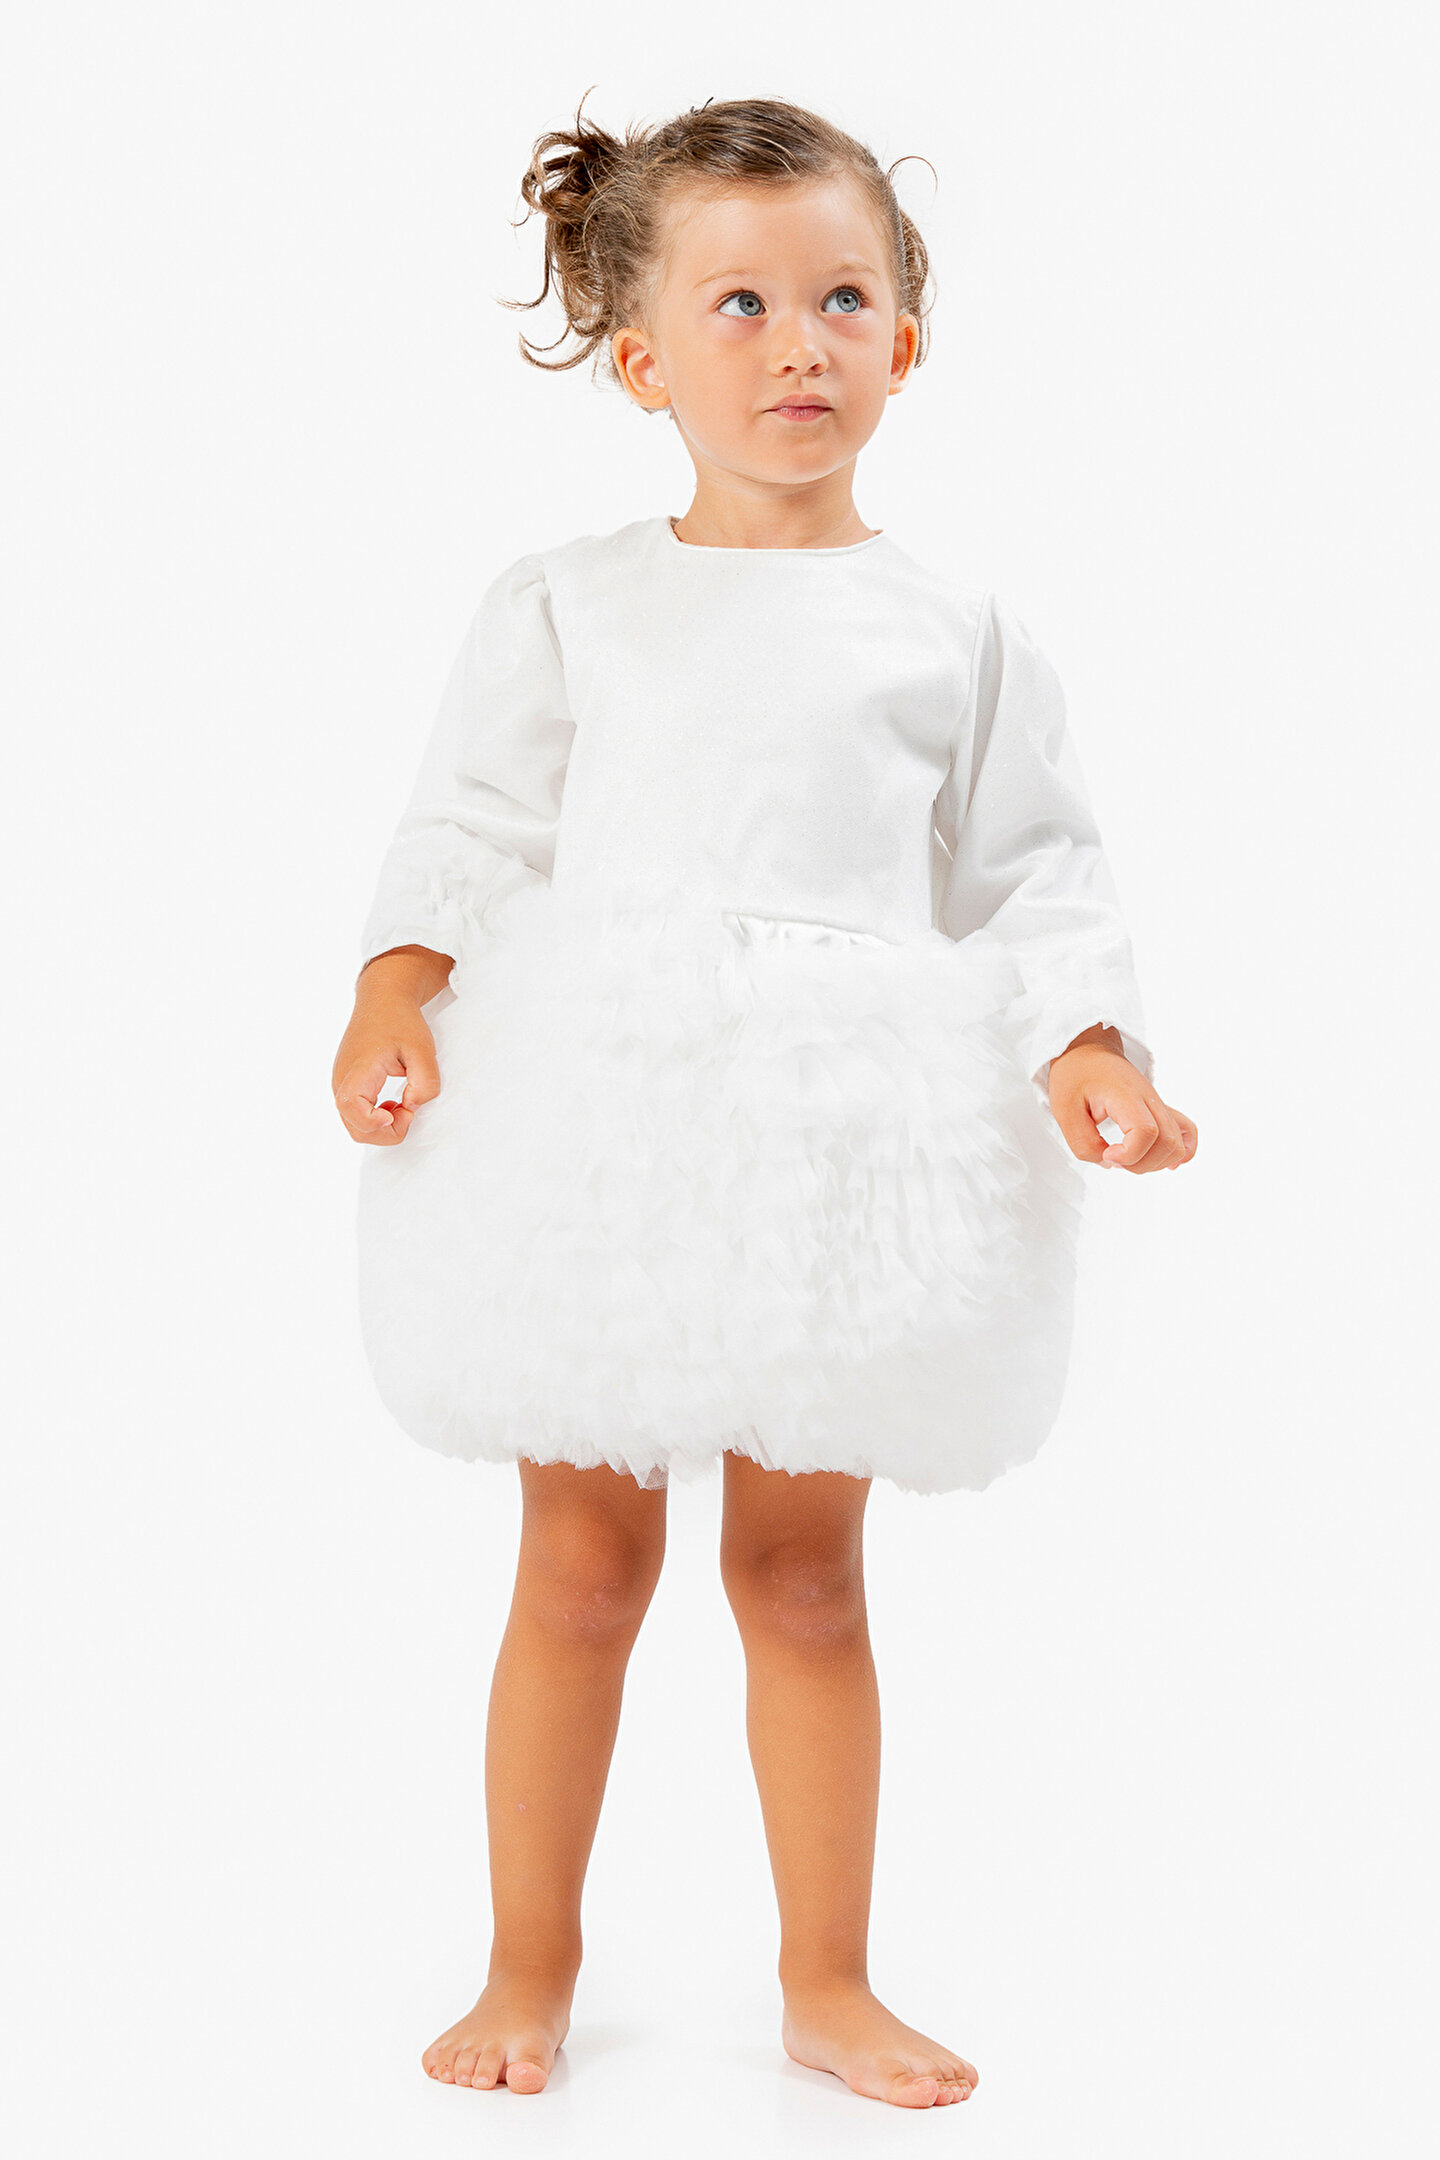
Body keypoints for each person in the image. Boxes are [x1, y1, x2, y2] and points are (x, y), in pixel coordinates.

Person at [330, 90, 1198, 2110]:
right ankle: (528, 1959)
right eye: (740, 304)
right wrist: (393, 994)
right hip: (602, 1120)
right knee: (580, 1569)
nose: (800, 343)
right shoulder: (568, 601)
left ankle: (827, 1976)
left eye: (843, 299)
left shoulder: (956, 631)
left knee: (804, 1579)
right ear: (642, 360)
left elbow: (1036, 874)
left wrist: (1090, 1049)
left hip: (840, 1149)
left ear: (911, 338)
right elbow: (467, 831)